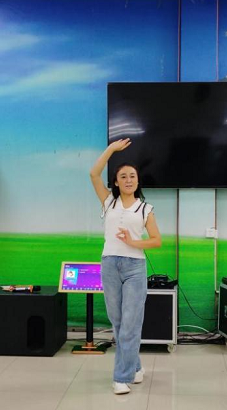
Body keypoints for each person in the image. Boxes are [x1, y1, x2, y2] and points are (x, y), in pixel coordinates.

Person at [89, 139, 161, 394]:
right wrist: (111, 150)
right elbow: (93, 174)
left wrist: (133, 242)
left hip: (134, 268)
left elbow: (156, 240)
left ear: (138, 181)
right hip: (109, 264)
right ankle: (136, 366)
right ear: (116, 182)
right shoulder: (109, 202)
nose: (128, 180)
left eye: (132, 176)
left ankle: (121, 377)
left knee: (130, 323)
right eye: (123, 176)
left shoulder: (145, 209)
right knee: (118, 322)